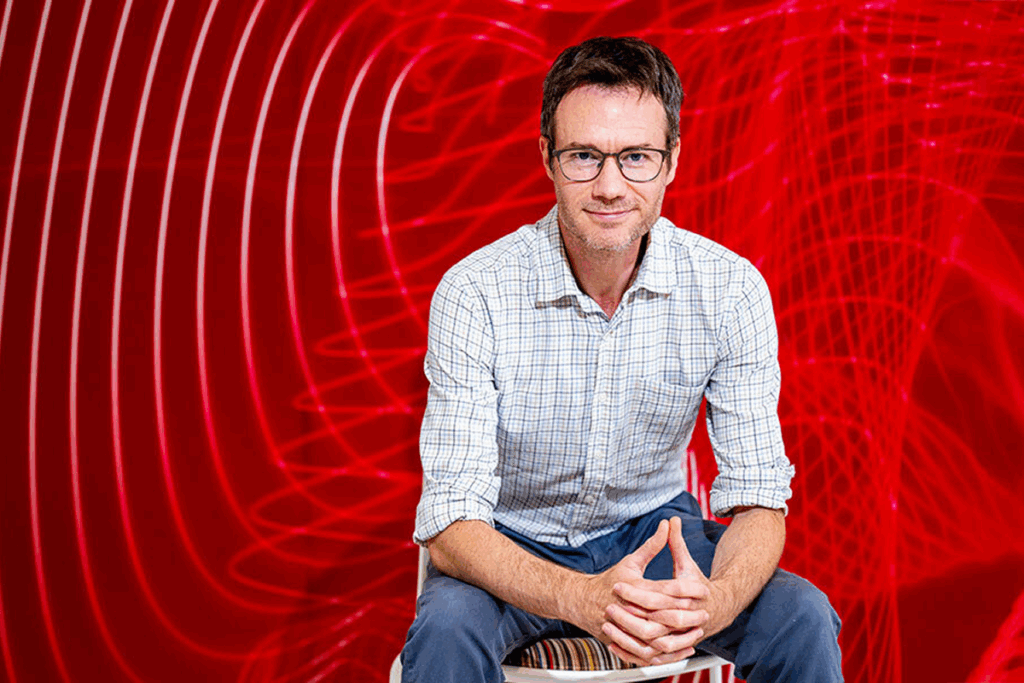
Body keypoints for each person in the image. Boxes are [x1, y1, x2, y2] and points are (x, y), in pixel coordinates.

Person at [399, 36, 843, 683]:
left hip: (655, 536)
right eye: (584, 156)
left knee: (801, 614)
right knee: (445, 628)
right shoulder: (475, 292)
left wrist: (714, 601)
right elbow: (449, 522)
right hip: (511, 538)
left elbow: (758, 496)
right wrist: (579, 594)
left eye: (635, 156)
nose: (610, 186)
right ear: (547, 157)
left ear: (671, 162)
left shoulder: (730, 287)